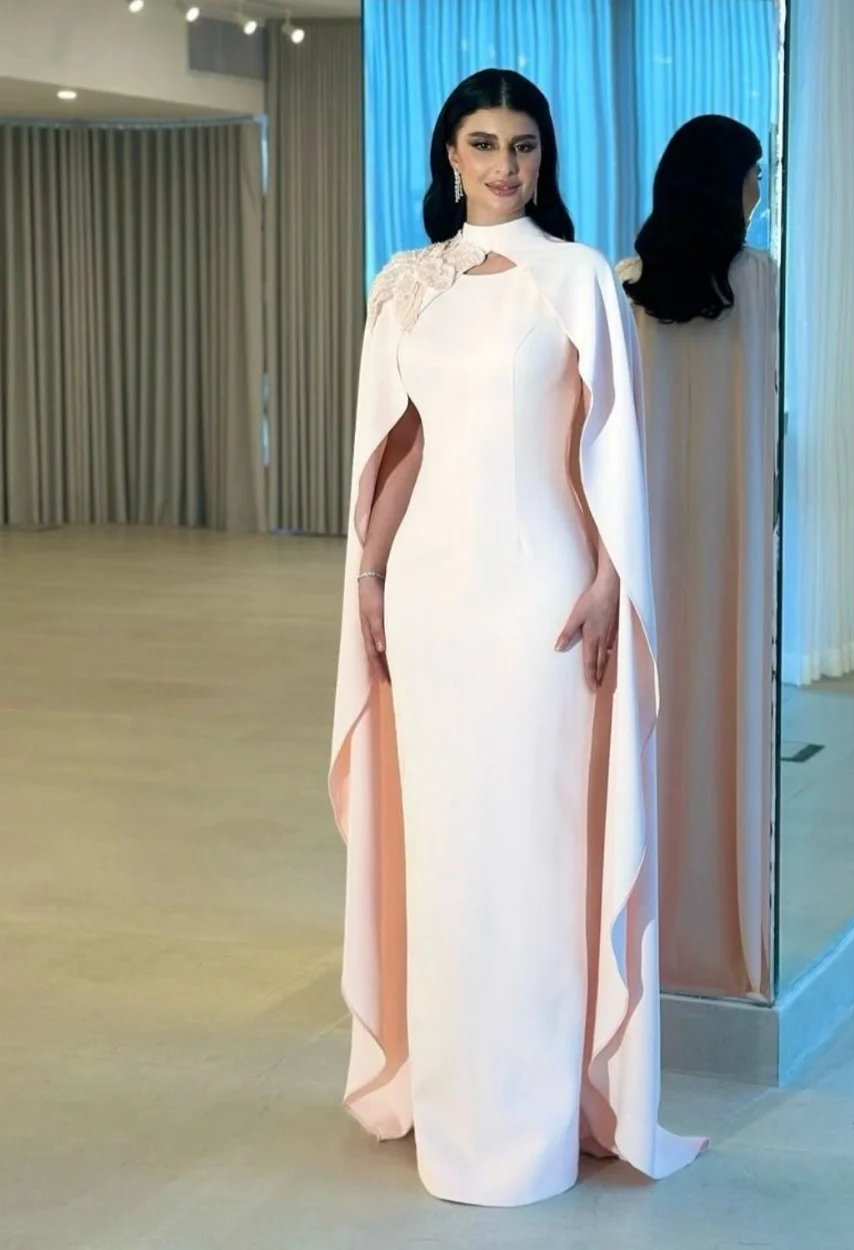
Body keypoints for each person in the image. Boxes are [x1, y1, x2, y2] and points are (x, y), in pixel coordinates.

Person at [328, 68, 705, 1208]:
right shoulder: (406, 283)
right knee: (447, 855)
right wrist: (370, 574)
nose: (506, 164)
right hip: (433, 598)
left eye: (525, 145)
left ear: (544, 158)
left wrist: (608, 577)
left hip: (540, 595)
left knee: (532, 853)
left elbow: (609, 445)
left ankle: (537, 1118)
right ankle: (452, 1103)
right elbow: (400, 449)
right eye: (485, 143)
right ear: (449, 154)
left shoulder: (577, 276)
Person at [619, 115, 778, 1001]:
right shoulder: (757, 281)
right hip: (729, 538)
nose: (758, 191)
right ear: (725, 184)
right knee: (719, 705)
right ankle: (717, 927)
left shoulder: (625, 286)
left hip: (647, 534)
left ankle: (644, 926)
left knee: (649, 717)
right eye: (753, 174)